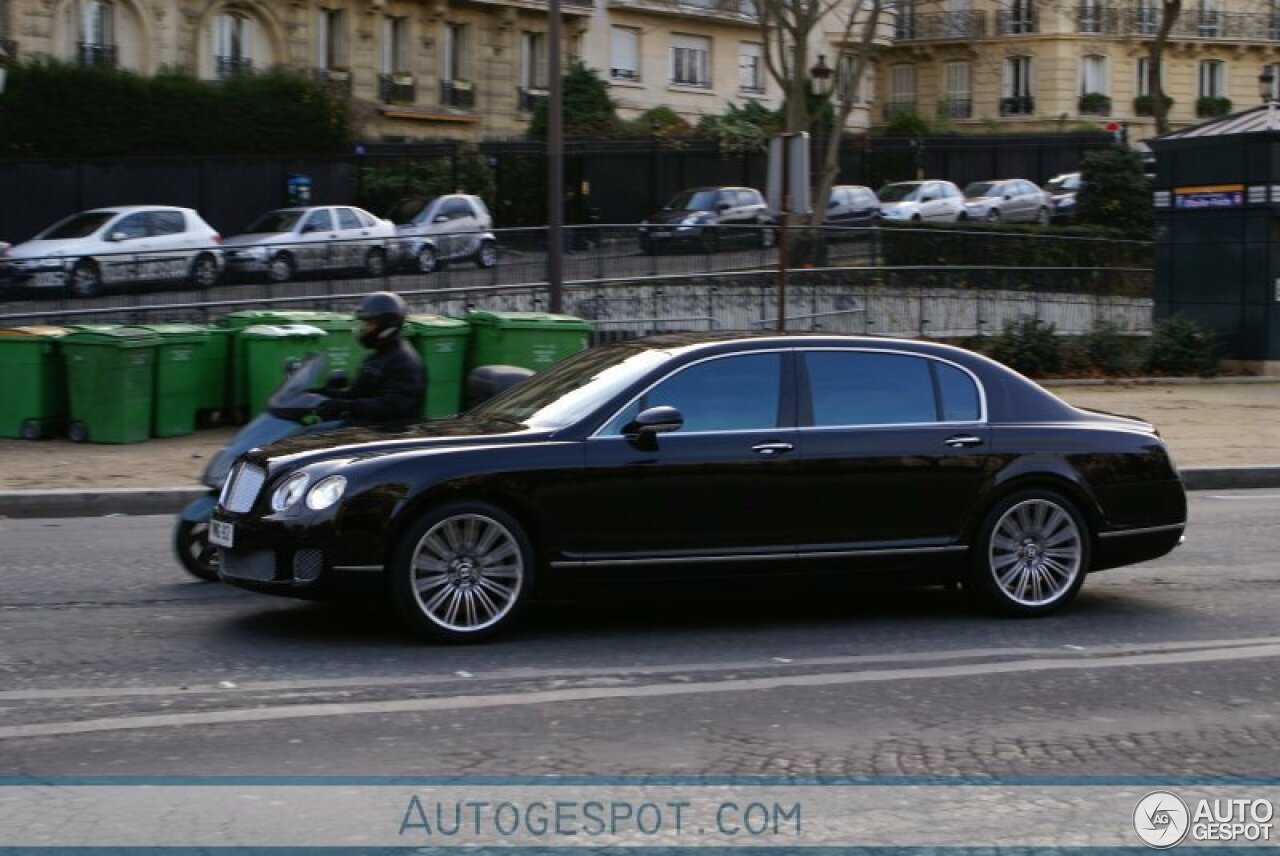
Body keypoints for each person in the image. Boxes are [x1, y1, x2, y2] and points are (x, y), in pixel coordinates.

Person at [315, 291, 425, 427]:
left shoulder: (404, 361)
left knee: (316, 434)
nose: (364, 328)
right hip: (365, 426)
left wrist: (347, 406)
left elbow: (394, 406)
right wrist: (322, 395)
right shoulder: (377, 356)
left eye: (370, 323)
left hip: (386, 432)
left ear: (387, 324)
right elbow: (357, 394)